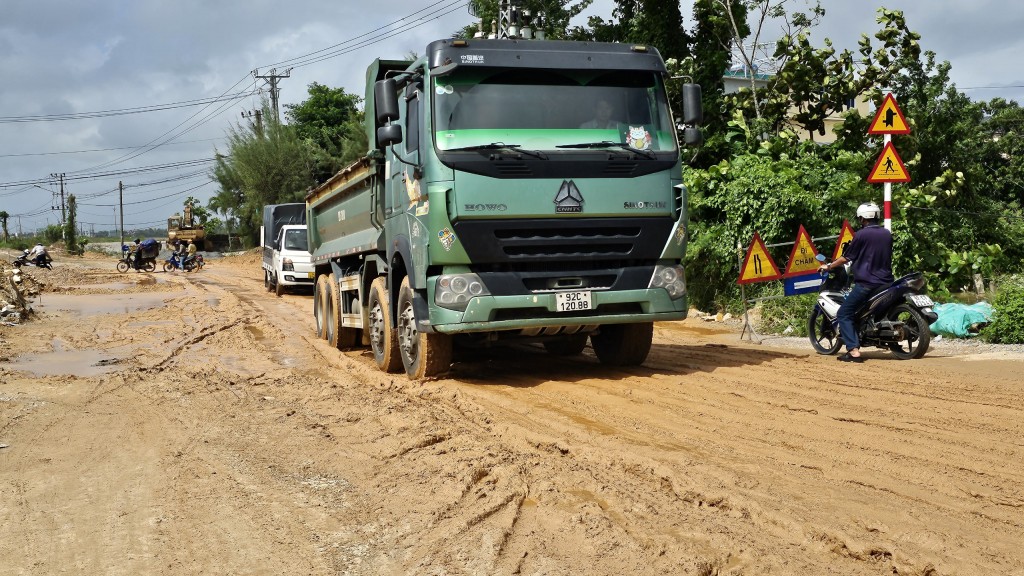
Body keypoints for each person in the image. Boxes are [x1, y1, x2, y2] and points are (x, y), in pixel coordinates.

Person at [818, 202, 894, 362]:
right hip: (886, 282)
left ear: (862, 218)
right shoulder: (886, 233)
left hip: (867, 283)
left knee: (844, 313)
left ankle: (853, 350)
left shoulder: (861, 235)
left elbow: (847, 257)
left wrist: (829, 266)